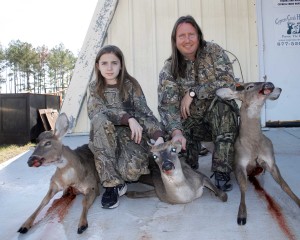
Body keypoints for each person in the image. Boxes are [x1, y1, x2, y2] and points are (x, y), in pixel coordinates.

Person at [157, 15, 239, 192]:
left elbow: (228, 83)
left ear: (199, 35)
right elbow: (168, 106)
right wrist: (177, 132)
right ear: (175, 40)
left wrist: (193, 92)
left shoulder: (214, 52)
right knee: (186, 167)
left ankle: (221, 170)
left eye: (191, 34)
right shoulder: (169, 68)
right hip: (190, 124)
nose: (187, 40)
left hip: (217, 119)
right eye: (182, 36)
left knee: (225, 107)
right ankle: (191, 155)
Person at [88, 45, 164, 209]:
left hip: (129, 137)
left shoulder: (131, 86)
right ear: (97, 66)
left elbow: (145, 113)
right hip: (105, 137)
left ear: (121, 65)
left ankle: (119, 179)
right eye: (104, 63)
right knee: (99, 120)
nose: (109, 68)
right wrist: (127, 118)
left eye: (114, 63)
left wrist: (158, 136)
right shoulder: (94, 88)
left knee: (131, 172)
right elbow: (97, 112)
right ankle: (111, 185)